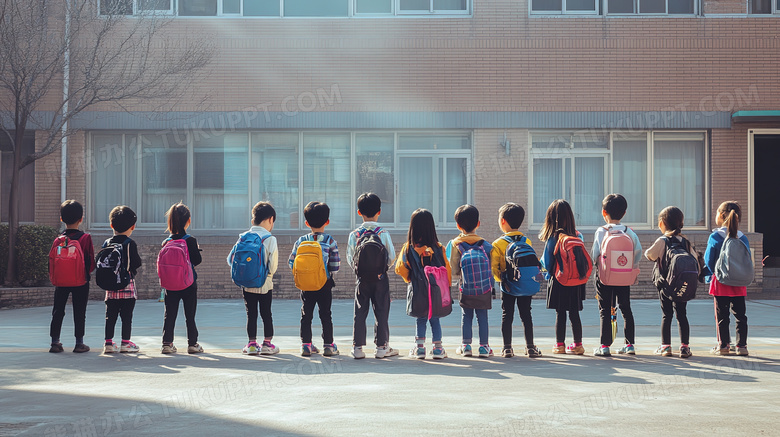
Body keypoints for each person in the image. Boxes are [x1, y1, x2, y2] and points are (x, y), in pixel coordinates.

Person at [395, 208, 452, 360]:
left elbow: (400, 268)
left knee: (420, 318)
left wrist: (410, 278)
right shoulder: (439, 247)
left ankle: (420, 349)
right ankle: (438, 349)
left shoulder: (408, 248)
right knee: (435, 318)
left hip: (418, 290)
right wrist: (446, 287)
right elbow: (447, 270)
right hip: (435, 290)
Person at [346, 193, 398, 359]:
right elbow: (392, 256)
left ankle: (358, 348)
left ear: (359, 212)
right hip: (380, 278)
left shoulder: (355, 234)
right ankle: (382, 347)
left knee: (360, 312)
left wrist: (360, 270)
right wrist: (382, 269)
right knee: (381, 311)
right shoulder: (383, 233)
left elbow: (350, 257)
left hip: (362, 280)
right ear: (379, 212)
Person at [590, 194, 642, 357]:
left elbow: (595, 253)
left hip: (605, 276)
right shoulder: (629, 232)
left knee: (605, 310)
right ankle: (630, 344)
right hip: (624, 276)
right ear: (624, 213)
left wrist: (597, 265)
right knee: (626, 308)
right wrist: (630, 268)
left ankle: (604, 346)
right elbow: (638, 252)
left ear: (603, 212)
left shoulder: (601, 231)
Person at [288, 201, 340, 357]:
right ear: (327, 221)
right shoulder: (330, 241)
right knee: (325, 314)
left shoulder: (301, 241)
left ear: (306, 222)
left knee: (306, 314)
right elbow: (335, 265)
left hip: (306, 285)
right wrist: (328, 275)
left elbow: (292, 262)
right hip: (324, 284)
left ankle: (306, 345)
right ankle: (329, 346)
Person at [490, 203, 542, 358]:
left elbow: (494, 268)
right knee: (526, 315)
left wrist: (501, 280)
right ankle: (530, 347)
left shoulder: (498, 244)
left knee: (507, 315)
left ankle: (507, 348)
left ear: (503, 221)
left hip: (508, 286)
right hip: (525, 285)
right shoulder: (526, 242)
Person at [644, 206, 697, 359]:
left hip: (665, 285)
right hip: (682, 285)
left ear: (662, 224)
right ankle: (685, 347)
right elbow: (694, 261)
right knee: (682, 315)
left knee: (666, 315)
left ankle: (666, 346)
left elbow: (650, 255)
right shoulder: (685, 242)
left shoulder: (662, 241)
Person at [228, 202, 279, 356]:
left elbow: (230, 260)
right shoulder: (270, 239)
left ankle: (251, 344)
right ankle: (267, 344)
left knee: (251, 314)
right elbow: (273, 265)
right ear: (270, 220)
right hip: (264, 284)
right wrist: (268, 276)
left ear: (253, 221)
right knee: (266, 313)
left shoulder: (242, 238)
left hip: (247, 285)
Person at [539, 199, 587, 355]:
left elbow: (547, 261)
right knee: (574, 313)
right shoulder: (579, 236)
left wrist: (546, 274)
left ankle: (560, 345)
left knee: (560, 313)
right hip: (576, 281)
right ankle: (578, 345)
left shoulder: (553, 237)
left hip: (559, 280)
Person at [446, 204, 495, 358]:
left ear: (458, 225)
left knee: (466, 316)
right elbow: (491, 268)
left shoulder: (456, 244)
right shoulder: (487, 245)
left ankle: (466, 346)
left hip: (466, 287)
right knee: (483, 317)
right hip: (484, 288)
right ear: (478, 223)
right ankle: (484, 347)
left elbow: (454, 268)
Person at [48, 200, 95, 353]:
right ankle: (79, 343)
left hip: (61, 281)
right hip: (80, 280)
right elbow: (90, 262)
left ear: (61, 219)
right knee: (79, 311)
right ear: (81, 218)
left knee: (58, 310)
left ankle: (55, 342)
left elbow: (51, 262)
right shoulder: (85, 238)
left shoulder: (58, 240)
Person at [704, 201, 750, 356]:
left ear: (722, 215)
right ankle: (741, 346)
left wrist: (714, 274)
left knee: (722, 315)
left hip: (721, 281)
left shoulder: (715, 236)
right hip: (739, 282)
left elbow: (709, 260)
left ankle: (723, 345)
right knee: (740, 315)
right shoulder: (743, 237)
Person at [160, 203, 204, 354]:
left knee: (169, 314)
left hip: (170, 285)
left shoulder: (166, 242)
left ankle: (167, 343)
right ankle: (192, 344)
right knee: (189, 315)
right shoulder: (190, 240)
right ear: (188, 221)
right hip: (188, 284)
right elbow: (197, 261)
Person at [100, 206, 142, 354]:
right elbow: (136, 263)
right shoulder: (130, 243)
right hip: (127, 286)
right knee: (126, 317)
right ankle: (125, 343)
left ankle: (108, 343)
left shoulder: (107, 243)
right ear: (133, 226)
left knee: (110, 316)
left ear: (111, 225)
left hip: (110, 287)